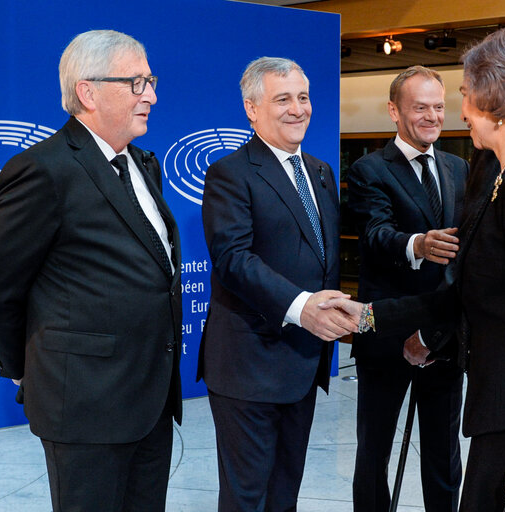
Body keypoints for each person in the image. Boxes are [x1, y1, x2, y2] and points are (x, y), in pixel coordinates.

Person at [327, 24, 505, 512]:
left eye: (464, 92)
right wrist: (367, 317)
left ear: (498, 96)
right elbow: (471, 292)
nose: (456, 109)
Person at [0, 30, 182, 511]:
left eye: (149, 80)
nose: (152, 94)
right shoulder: (42, 170)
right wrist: (30, 369)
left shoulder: (144, 164)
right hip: (85, 405)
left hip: (151, 402)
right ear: (88, 92)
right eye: (137, 82)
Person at [198, 56, 355, 512]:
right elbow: (233, 260)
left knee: (285, 493)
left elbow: (319, 258)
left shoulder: (322, 172)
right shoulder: (231, 173)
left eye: (303, 97)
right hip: (249, 366)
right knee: (248, 497)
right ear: (251, 108)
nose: (297, 109)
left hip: (303, 364)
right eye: (282, 98)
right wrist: (303, 305)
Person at [346, 65, 468, 512]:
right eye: (421, 108)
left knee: (443, 454)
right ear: (394, 111)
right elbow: (375, 234)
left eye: (439, 107)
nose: (433, 117)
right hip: (387, 334)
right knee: (373, 452)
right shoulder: (369, 169)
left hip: (443, 335)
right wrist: (416, 243)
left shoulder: (458, 167)